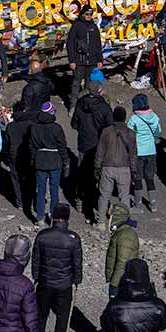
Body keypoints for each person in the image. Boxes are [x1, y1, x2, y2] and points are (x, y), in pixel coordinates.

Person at [32, 204, 83, 332]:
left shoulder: (42, 235)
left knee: (40, 314)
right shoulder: (73, 238)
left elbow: (36, 260)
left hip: (45, 281)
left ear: (53, 217)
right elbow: (77, 263)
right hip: (64, 284)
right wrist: (77, 281)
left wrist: (36, 277)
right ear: (67, 218)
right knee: (63, 317)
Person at [70, 78, 112, 217]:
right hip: (100, 145)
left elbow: (74, 124)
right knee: (99, 175)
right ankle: (98, 203)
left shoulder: (81, 103)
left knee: (82, 173)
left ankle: (80, 201)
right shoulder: (104, 107)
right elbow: (110, 127)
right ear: (100, 90)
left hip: (83, 143)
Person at [28, 101, 69, 222]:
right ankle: (53, 217)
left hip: (40, 160)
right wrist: (66, 161)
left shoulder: (34, 127)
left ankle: (40, 217)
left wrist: (33, 159)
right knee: (54, 190)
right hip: (55, 160)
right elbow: (62, 146)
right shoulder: (56, 128)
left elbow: (32, 146)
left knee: (40, 190)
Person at [96, 106, 136, 224]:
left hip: (107, 166)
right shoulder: (131, 133)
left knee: (104, 195)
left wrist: (97, 166)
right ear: (125, 118)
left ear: (113, 117)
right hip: (124, 167)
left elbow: (100, 151)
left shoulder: (106, 131)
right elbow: (133, 155)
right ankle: (123, 222)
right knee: (124, 196)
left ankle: (101, 222)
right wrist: (134, 170)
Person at [129, 94, 162, 213]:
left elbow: (130, 135)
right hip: (151, 151)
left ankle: (138, 205)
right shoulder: (154, 117)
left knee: (137, 178)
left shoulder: (134, 119)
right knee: (150, 177)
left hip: (138, 152)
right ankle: (153, 204)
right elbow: (158, 132)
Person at [65, 8, 103, 101]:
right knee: (76, 84)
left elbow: (98, 44)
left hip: (92, 61)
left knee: (89, 85)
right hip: (79, 61)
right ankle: (73, 106)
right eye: (87, 14)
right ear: (82, 14)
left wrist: (100, 59)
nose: (89, 16)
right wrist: (72, 60)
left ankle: (86, 104)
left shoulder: (94, 27)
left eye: (91, 14)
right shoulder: (76, 25)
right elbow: (70, 44)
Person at [104, 200, 139, 297]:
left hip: (122, 283)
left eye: (110, 217)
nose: (109, 220)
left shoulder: (125, 235)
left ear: (116, 218)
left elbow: (123, 262)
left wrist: (114, 285)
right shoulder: (121, 232)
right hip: (121, 281)